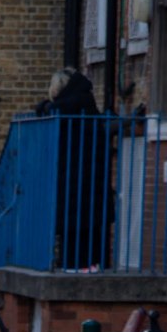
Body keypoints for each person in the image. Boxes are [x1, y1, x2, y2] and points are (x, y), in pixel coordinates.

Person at [36, 67, 112, 271]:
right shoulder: (84, 102)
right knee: (88, 231)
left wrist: (43, 106)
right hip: (88, 180)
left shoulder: (70, 105)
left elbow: (53, 110)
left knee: (74, 231)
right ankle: (89, 266)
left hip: (76, 179)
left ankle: (74, 267)